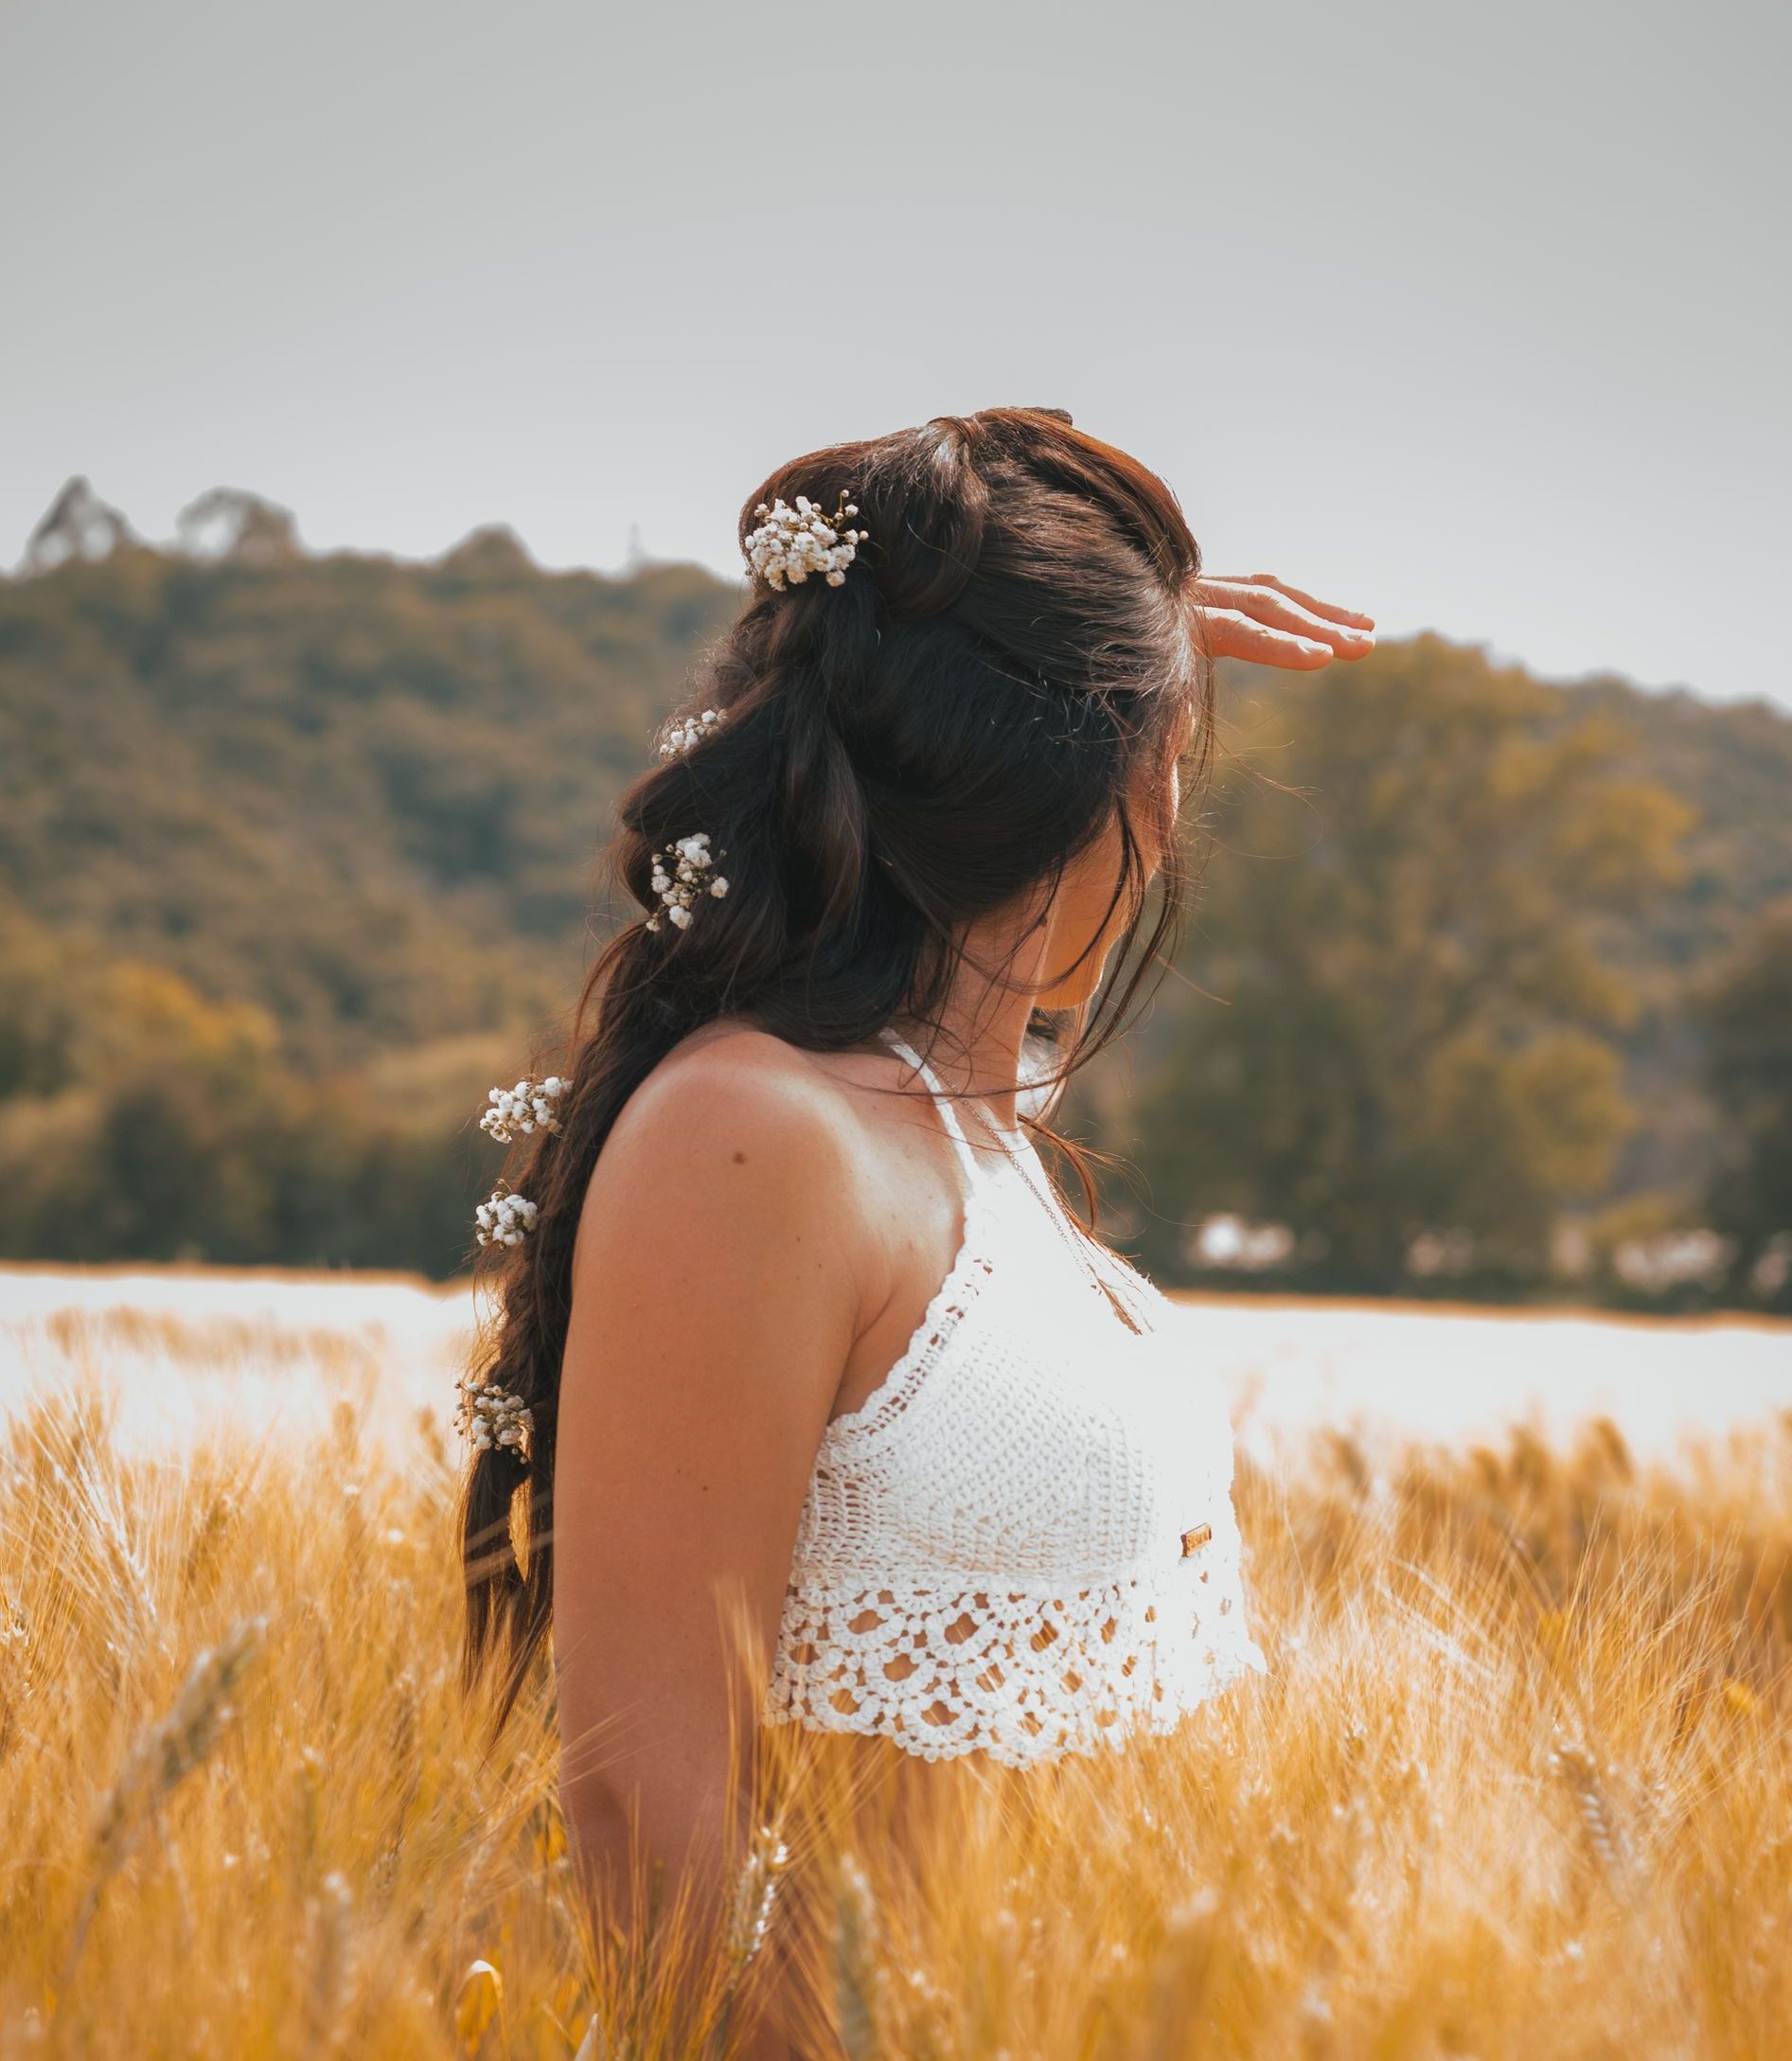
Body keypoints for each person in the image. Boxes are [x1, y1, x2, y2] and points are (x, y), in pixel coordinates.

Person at [457, 407, 1375, 2052]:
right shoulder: (758, 1135)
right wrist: (1112, 689)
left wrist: (1125, 663)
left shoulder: (973, 1127)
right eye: (1174, 765)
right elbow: (641, 1815)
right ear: (1134, 785)